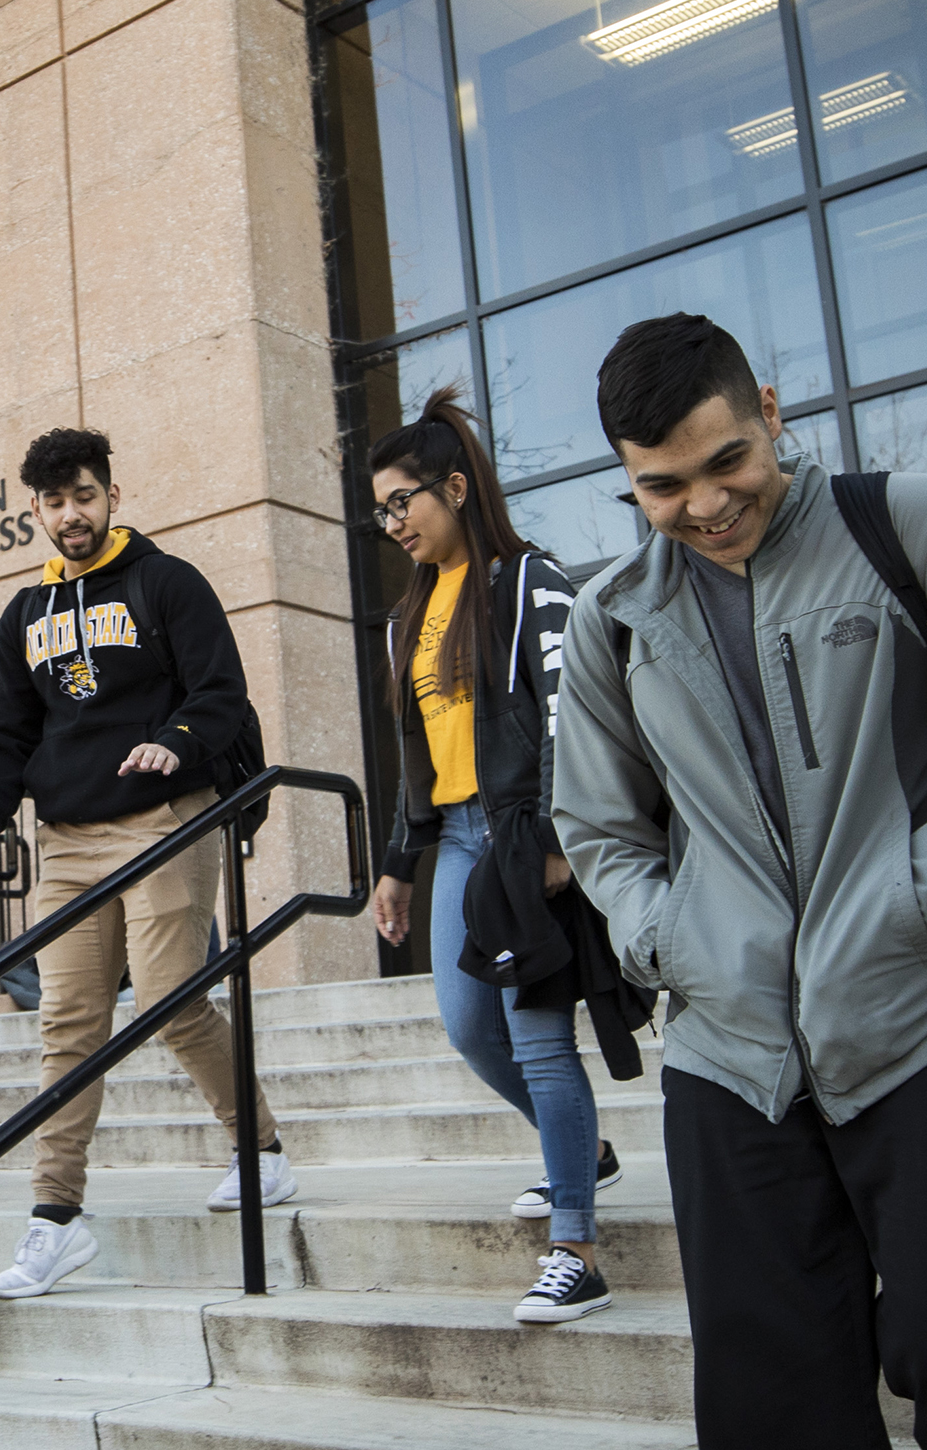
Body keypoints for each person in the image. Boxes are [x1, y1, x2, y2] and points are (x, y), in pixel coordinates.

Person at [551, 315, 927, 1448]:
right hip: (731, 1058)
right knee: (772, 1410)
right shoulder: (614, 619)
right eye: (663, 487)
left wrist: (923, 905)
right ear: (626, 477)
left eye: (727, 462)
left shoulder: (919, 524)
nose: (706, 507)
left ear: (769, 407)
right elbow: (599, 830)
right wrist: (673, 941)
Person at [0, 426, 289, 1301]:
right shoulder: (24, 616)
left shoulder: (166, 582)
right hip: (66, 839)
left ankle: (259, 1149)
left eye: (85, 497)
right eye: (55, 503)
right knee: (67, 1026)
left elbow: (220, 691)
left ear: (113, 497)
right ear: (35, 509)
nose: (72, 515)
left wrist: (174, 745)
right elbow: (4, 733)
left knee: (174, 999)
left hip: (164, 821)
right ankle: (55, 1219)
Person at [362, 387, 629, 1325]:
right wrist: (398, 863)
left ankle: (576, 1246)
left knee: (539, 1038)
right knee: (468, 1026)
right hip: (458, 842)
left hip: (523, 835)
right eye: (382, 509)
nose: (393, 522)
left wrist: (560, 841)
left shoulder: (528, 582)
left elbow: (570, 717)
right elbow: (415, 756)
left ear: (457, 488)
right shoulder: (409, 618)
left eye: (405, 501)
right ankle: (581, 1153)